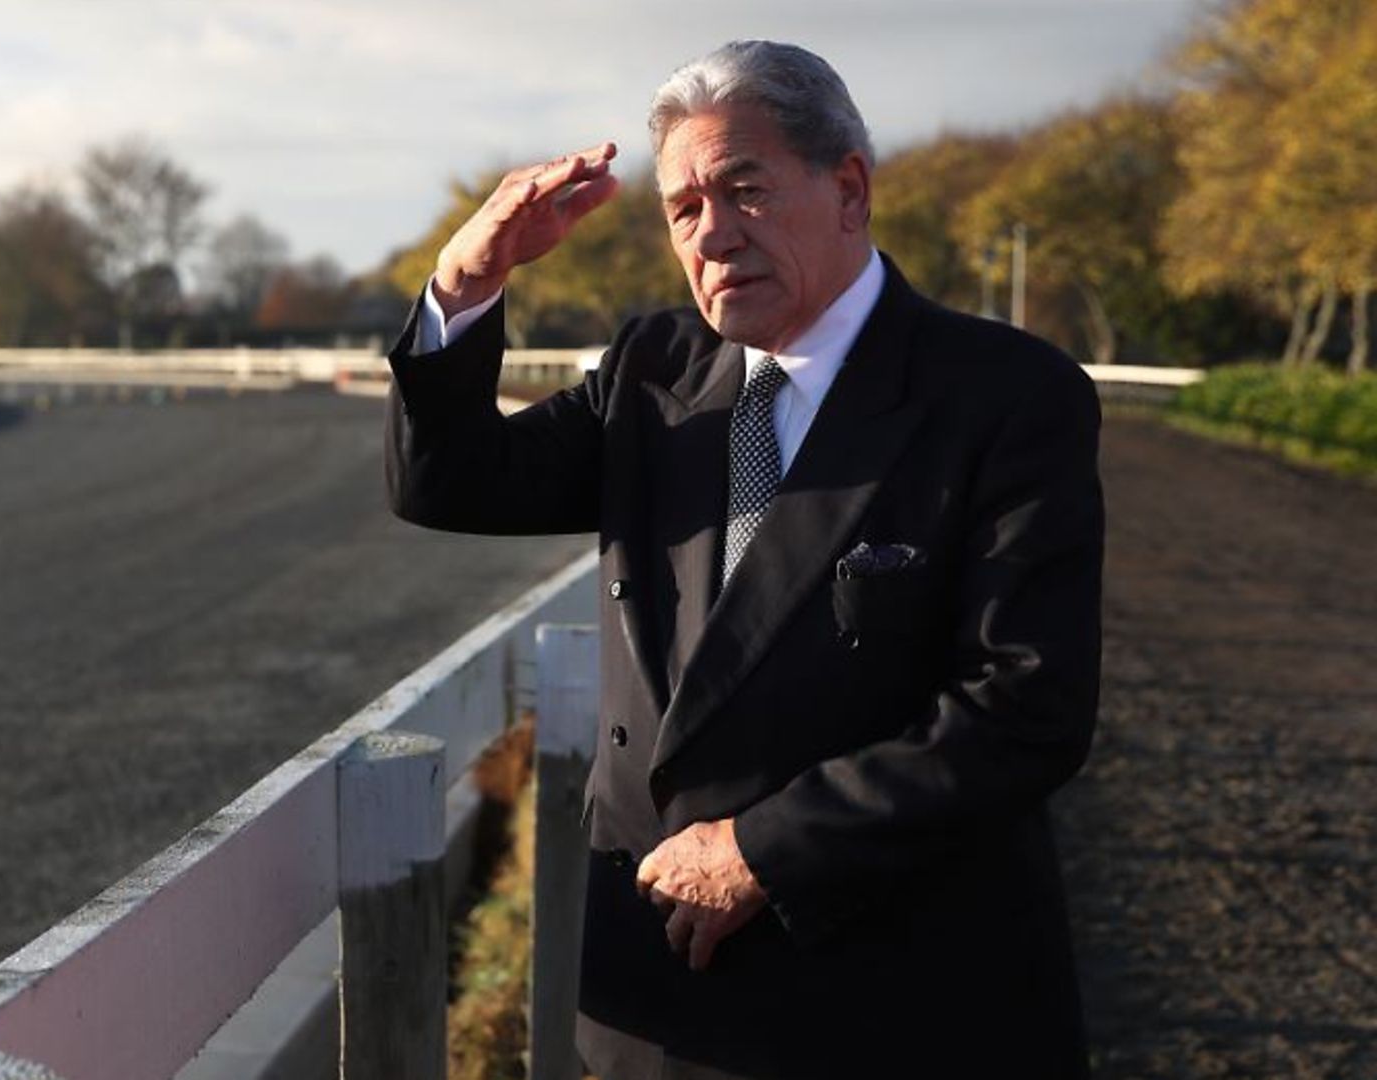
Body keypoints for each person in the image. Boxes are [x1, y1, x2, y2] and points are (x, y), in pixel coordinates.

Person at [384, 39, 1104, 1079]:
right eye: (684, 207)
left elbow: (1027, 707)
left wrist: (765, 849)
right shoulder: (654, 372)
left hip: (896, 1000)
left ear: (849, 187)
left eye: (745, 189)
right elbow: (449, 483)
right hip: (656, 1004)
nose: (712, 233)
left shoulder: (1003, 395)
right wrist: (467, 280)